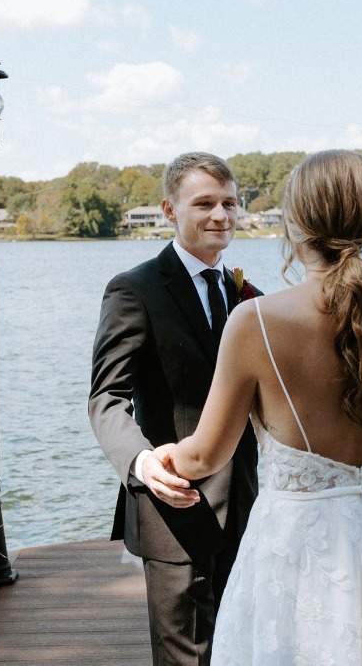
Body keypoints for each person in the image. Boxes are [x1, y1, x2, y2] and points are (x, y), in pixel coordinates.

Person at [153, 150, 362, 665]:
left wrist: (155, 459)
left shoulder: (255, 320)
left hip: (301, 552)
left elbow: (203, 459)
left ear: (294, 222)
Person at [89, 152, 260, 666]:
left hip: (249, 508)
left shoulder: (248, 297)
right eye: (204, 203)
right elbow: (106, 399)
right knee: (185, 658)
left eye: (230, 203)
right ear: (169, 209)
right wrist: (141, 465)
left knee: (240, 646)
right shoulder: (134, 289)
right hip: (174, 504)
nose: (221, 216)